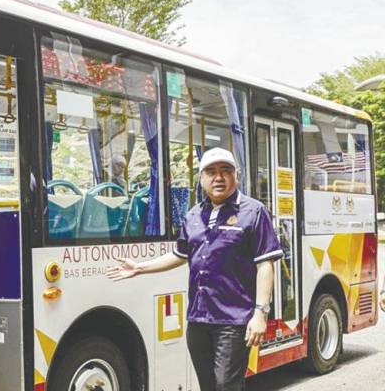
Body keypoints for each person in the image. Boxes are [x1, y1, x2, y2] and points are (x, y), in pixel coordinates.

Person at [107, 147, 283, 391]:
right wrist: (140, 268)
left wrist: (260, 313)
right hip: (198, 319)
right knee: (208, 386)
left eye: (225, 171)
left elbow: (265, 263)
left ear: (236, 175)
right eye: (210, 172)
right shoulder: (193, 215)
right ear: (201, 179)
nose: (218, 177)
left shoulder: (253, 212)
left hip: (233, 320)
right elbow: (180, 255)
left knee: (226, 385)